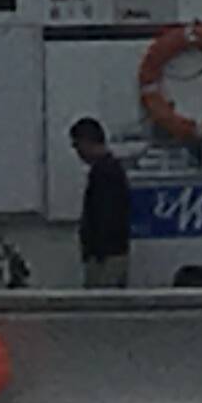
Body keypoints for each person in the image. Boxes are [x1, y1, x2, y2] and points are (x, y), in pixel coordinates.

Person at [72, 116, 132, 288]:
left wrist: (95, 251)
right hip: (113, 252)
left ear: (86, 142)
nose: (77, 151)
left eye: (77, 145)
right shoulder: (112, 169)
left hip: (105, 257)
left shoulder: (103, 173)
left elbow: (105, 216)